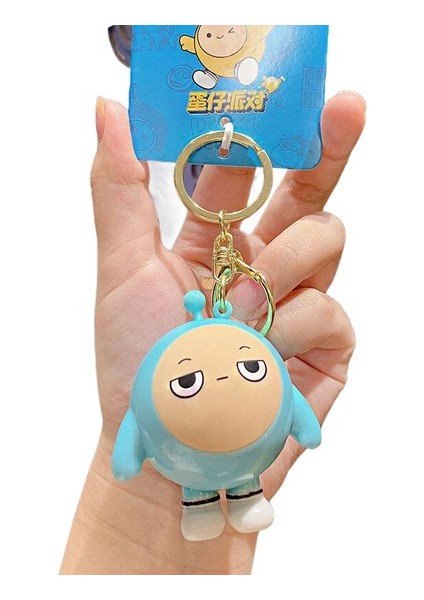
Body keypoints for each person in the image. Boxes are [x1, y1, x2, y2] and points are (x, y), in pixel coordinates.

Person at [59, 90, 366, 574]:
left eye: (249, 369)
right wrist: (136, 497)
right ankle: (205, 505)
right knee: (205, 486)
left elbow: (290, 404)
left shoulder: (180, 354)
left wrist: (129, 461)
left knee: (232, 481)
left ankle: (239, 498)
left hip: (222, 466)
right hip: (181, 476)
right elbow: (138, 419)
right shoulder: (161, 365)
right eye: (188, 381)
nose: (224, 380)